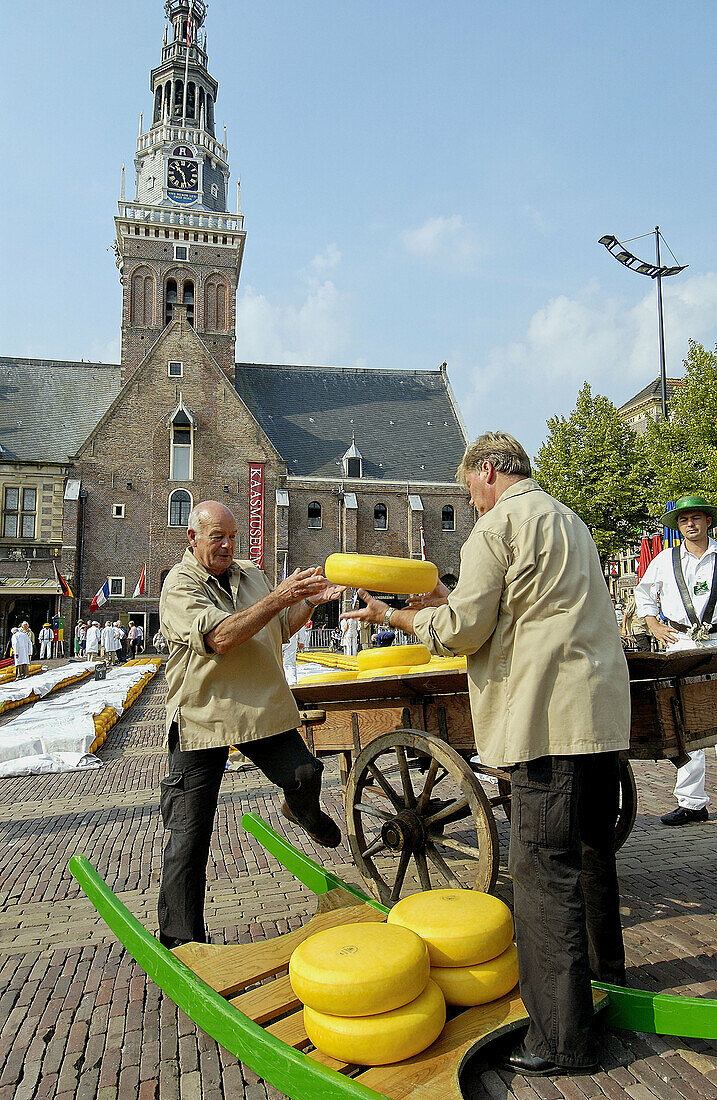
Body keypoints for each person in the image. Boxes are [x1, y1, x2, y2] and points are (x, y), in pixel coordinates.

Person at [342, 432, 630, 1077]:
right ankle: (607, 980)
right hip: (599, 718)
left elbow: (466, 630)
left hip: (544, 722)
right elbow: (529, 609)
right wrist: (450, 602)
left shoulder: (496, 527)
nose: (469, 501)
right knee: (589, 856)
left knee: (541, 875)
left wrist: (397, 618)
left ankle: (560, 1040)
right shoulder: (568, 518)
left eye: (469, 486)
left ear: (489, 472)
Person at [157, 500, 345, 949]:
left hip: (259, 708)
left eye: (231, 537)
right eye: (216, 537)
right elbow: (220, 637)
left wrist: (305, 603)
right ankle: (181, 944)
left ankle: (300, 810)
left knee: (306, 773)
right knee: (190, 834)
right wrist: (280, 595)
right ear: (193, 538)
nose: (226, 545)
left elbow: (277, 627)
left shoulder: (250, 574)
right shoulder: (179, 585)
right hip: (202, 717)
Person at [635, 495, 717, 826]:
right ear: (679, 526)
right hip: (681, 643)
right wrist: (653, 622)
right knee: (684, 723)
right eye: (684, 520)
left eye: (696, 518)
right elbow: (642, 593)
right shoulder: (665, 560)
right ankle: (692, 802)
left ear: (708, 522)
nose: (691, 525)